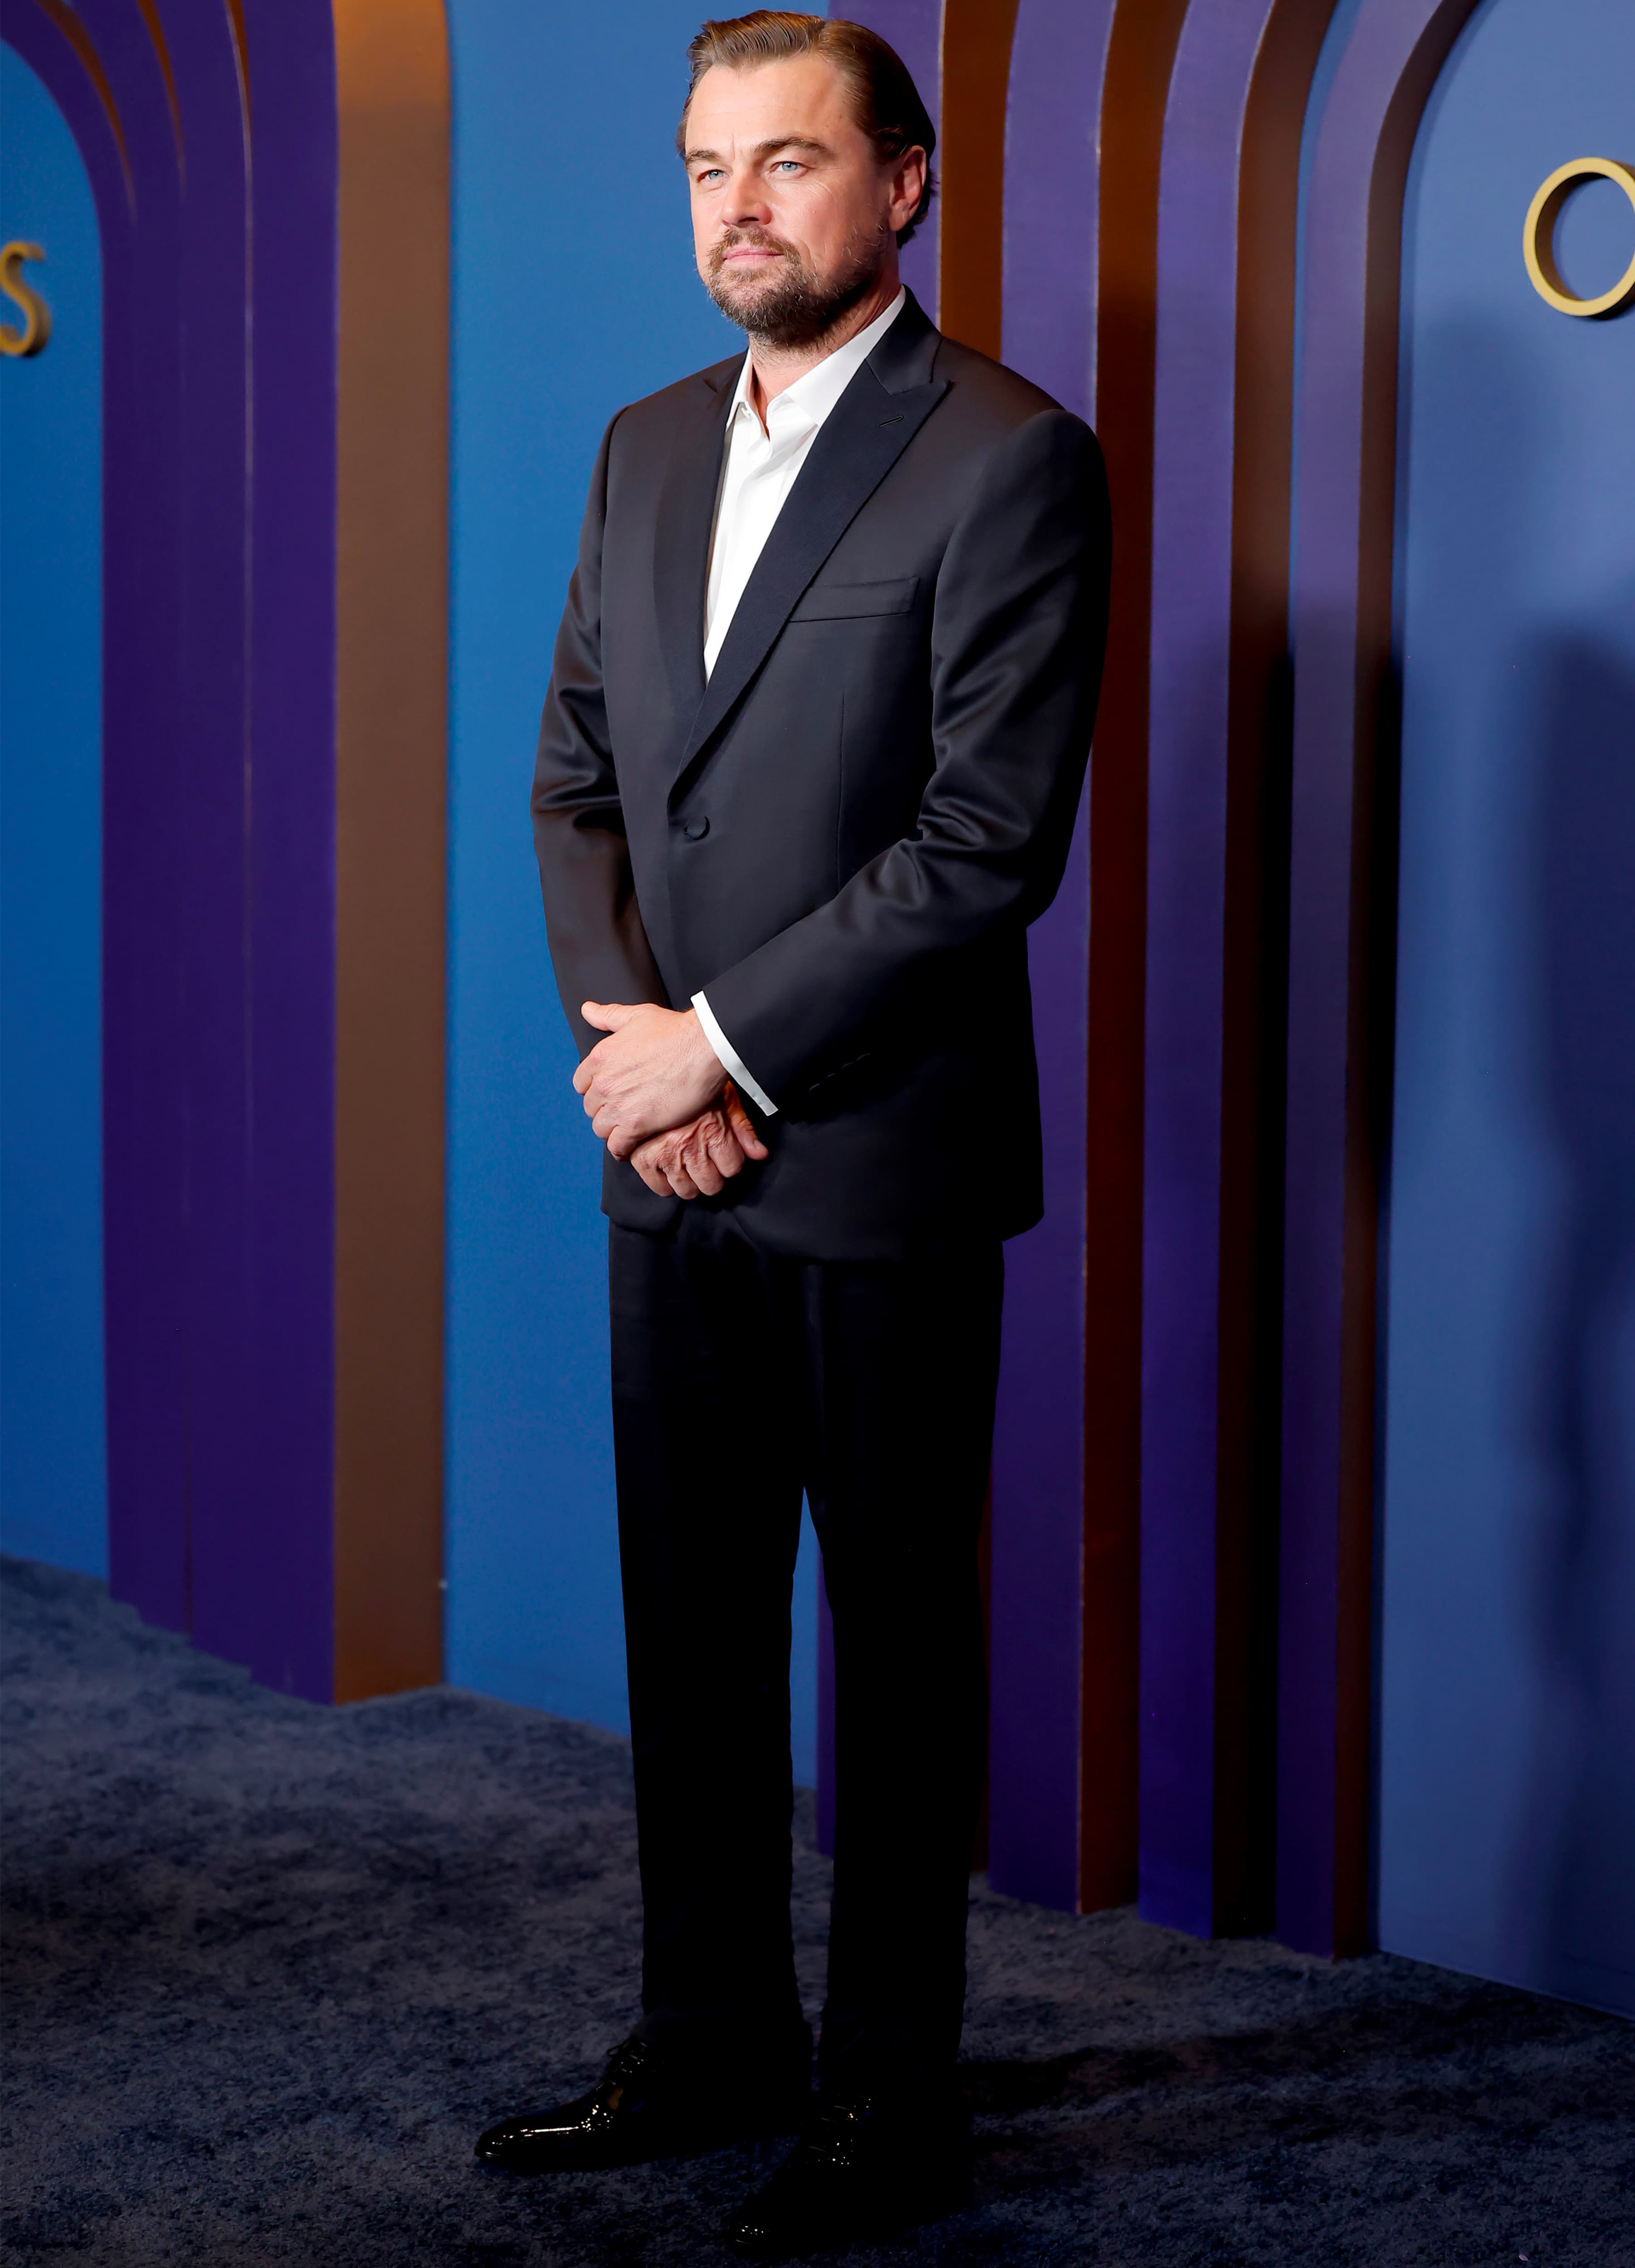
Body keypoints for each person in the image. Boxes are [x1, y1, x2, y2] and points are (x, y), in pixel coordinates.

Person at [474, 12, 1109, 2254]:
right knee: (691, 1631)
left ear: (901, 184)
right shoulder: (644, 445)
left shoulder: (1008, 457)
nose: (736, 206)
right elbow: (574, 777)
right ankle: (709, 2036)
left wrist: (721, 1052)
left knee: (896, 1661)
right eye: (703, 167)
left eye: (788, 160)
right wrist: (638, 1061)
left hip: (877, 1159)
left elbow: (982, 845)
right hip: (666, 1163)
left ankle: (885, 2103)